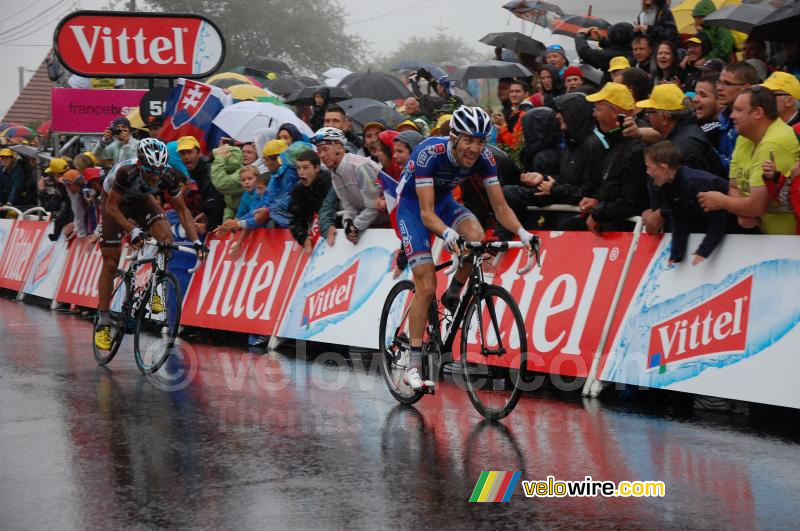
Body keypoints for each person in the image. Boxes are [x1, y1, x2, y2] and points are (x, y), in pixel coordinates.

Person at [395, 106, 537, 391]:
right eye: (469, 140)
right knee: (425, 283)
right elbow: (426, 213)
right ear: (454, 137)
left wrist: (524, 234)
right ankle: (412, 364)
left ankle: (453, 293)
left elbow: (500, 206)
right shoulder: (428, 154)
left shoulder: (484, 159)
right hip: (413, 208)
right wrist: (448, 236)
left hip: (444, 202)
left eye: (481, 141)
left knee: (475, 235)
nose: (475, 148)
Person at [94, 138, 203, 350]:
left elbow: (182, 210)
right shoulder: (126, 172)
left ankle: (156, 288)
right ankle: (103, 321)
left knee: (166, 239)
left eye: (158, 171)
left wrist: (197, 242)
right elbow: (112, 208)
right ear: (139, 164)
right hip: (114, 204)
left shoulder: (168, 174)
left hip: (142, 201)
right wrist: (132, 230)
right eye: (149, 171)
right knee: (110, 262)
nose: (155, 176)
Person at [698, 87, 800, 235]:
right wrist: (742, 212)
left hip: (789, 242)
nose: (732, 116)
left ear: (758, 113)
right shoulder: (743, 137)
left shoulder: (774, 143)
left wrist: (721, 201)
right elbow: (734, 186)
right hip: (768, 241)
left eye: (738, 110)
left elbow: (757, 206)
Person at [645, 141, 730, 265]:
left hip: (736, 224)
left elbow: (719, 219)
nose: (648, 172)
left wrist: (703, 251)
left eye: (649, 168)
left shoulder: (693, 182)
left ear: (663, 168)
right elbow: (678, 219)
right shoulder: (668, 185)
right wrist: (676, 254)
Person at [583, 83, 650, 233]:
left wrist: (599, 213)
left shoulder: (635, 146)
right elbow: (613, 185)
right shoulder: (616, 139)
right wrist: (597, 200)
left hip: (629, 235)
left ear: (613, 112)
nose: (594, 114)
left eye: (598, 110)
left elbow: (632, 201)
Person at [312, 127, 388, 245]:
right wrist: (348, 223)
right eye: (319, 151)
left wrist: (356, 225)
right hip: (368, 225)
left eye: (325, 149)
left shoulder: (359, 166)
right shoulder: (334, 173)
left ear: (339, 146)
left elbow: (374, 205)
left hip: (386, 223)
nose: (322, 155)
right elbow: (350, 207)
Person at [288, 150, 334, 254]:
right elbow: (294, 218)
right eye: (298, 168)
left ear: (317, 168)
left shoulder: (329, 181)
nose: (301, 172)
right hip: (319, 232)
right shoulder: (298, 189)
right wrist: (303, 238)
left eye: (305, 167)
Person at [715, 62, 759, 170]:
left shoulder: (753, 121)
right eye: (719, 82)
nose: (719, 88)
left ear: (746, 88)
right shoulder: (723, 116)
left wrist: (708, 153)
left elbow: (737, 168)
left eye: (727, 83)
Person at [177, 135, 225, 232]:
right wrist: (205, 213)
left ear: (199, 153)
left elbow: (217, 203)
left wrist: (207, 227)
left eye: (190, 152)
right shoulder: (197, 171)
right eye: (182, 153)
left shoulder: (208, 171)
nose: (186, 157)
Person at [210, 140, 245, 220]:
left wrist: (219, 159)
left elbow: (221, 183)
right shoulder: (229, 172)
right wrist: (228, 218)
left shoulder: (242, 173)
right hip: (236, 218)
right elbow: (231, 204)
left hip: (246, 219)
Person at [494, 79, 531, 152]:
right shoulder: (515, 111)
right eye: (511, 92)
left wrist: (503, 125)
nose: (514, 94)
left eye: (518, 91)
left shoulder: (525, 113)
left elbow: (515, 144)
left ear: (526, 94)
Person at [692, 72, 723, 148]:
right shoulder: (694, 120)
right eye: (696, 94)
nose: (695, 99)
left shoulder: (717, 130)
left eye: (703, 95)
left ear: (720, 100)